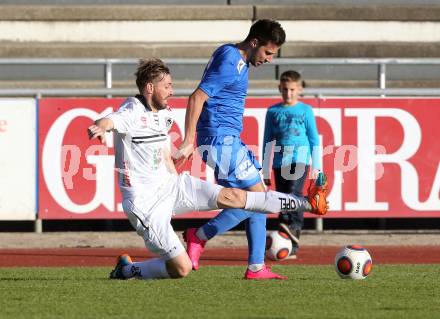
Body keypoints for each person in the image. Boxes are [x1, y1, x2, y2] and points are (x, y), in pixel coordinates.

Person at [87, 58, 328, 281]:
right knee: (180, 269)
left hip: (172, 187)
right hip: (145, 203)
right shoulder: (131, 110)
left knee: (236, 196)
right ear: (150, 88)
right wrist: (100, 127)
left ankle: (305, 203)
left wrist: (177, 155)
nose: (172, 91)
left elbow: (161, 152)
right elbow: (111, 120)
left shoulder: (165, 115)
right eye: (167, 86)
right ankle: (127, 269)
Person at [175, 19, 327, 280]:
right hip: (220, 140)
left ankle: (255, 265)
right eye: (268, 52)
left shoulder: (233, 57)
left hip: (227, 139)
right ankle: (200, 236)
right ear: (254, 42)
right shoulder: (231, 60)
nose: (269, 59)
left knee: (257, 200)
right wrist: (188, 140)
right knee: (259, 200)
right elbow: (197, 96)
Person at [262, 70, 321, 259]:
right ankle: (286, 242)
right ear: (280, 88)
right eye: (285, 89)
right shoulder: (273, 112)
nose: (288, 93)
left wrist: (317, 167)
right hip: (280, 162)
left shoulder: (305, 111)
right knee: (283, 200)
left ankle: (292, 236)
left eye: (292, 89)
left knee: (294, 195)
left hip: (300, 159)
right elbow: (267, 141)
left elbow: (314, 140)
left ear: (300, 89)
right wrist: (265, 169)